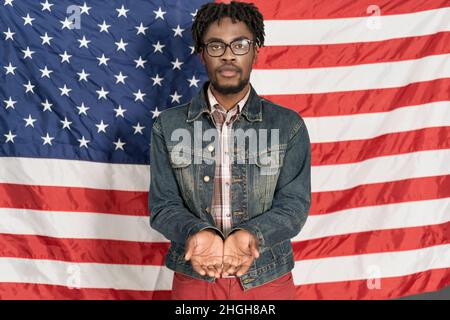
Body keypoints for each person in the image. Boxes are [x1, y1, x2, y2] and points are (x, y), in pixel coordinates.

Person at [148, 1, 311, 300]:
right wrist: (199, 233)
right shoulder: (167, 126)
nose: (227, 55)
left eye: (239, 44)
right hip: (195, 277)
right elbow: (163, 206)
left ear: (255, 50)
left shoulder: (289, 126)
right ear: (201, 53)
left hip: (267, 278)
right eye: (215, 46)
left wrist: (249, 236)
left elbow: (294, 207)